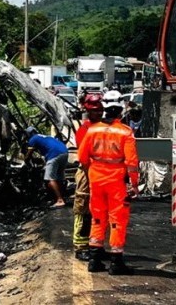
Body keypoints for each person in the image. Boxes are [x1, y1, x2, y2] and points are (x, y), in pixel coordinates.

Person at [78, 90, 139, 275]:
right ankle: (116, 263)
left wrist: (93, 171)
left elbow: (82, 157)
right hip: (116, 182)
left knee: (97, 218)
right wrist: (134, 184)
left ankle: (94, 260)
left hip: (96, 180)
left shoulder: (92, 130)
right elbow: (132, 162)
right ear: (121, 110)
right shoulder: (125, 132)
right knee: (117, 220)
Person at [72, 93, 104, 261]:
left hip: (101, 173)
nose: (98, 113)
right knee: (83, 208)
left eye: (100, 110)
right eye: (95, 110)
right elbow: (84, 158)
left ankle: (95, 245)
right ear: (88, 111)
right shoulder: (84, 130)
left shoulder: (103, 128)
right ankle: (81, 247)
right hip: (87, 172)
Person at [25, 127, 69, 207]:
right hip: (65, 152)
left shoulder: (33, 139)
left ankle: (60, 200)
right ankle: (63, 196)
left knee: (50, 179)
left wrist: (26, 160)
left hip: (54, 155)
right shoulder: (45, 136)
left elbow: (29, 154)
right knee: (59, 177)